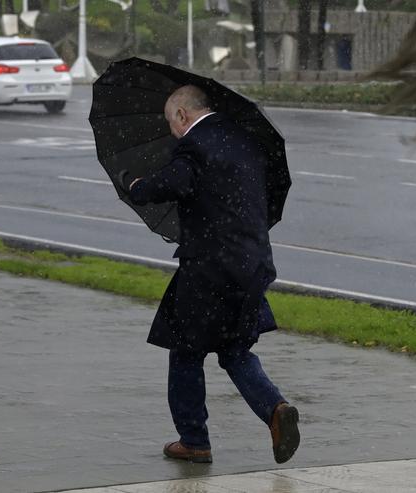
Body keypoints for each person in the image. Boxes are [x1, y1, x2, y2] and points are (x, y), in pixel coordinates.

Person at [121, 85, 299, 465]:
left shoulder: (194, 145)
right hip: (252, 264)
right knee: (235, 351)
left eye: (171, 123)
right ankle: (276, 409)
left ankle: (194, 441)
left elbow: (175, 182)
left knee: (185, 353)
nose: (172, 130)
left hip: (208, 270)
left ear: (183, 115)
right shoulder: (244, 140)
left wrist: (137, 187)